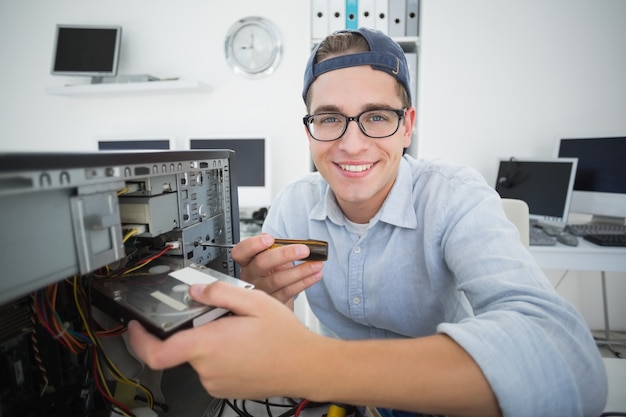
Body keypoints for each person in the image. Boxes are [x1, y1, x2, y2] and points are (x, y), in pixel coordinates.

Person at [128, 28, 608, 417]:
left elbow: (571, 365)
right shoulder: (295, 206)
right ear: (309, 128)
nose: (351, 145)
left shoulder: (454, 196)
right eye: (330, 118)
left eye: (376, 117)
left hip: (448, 398)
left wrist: (311, 365)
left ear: (408, 125)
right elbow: (265, 321)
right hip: (347, 399)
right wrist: (254, 299)